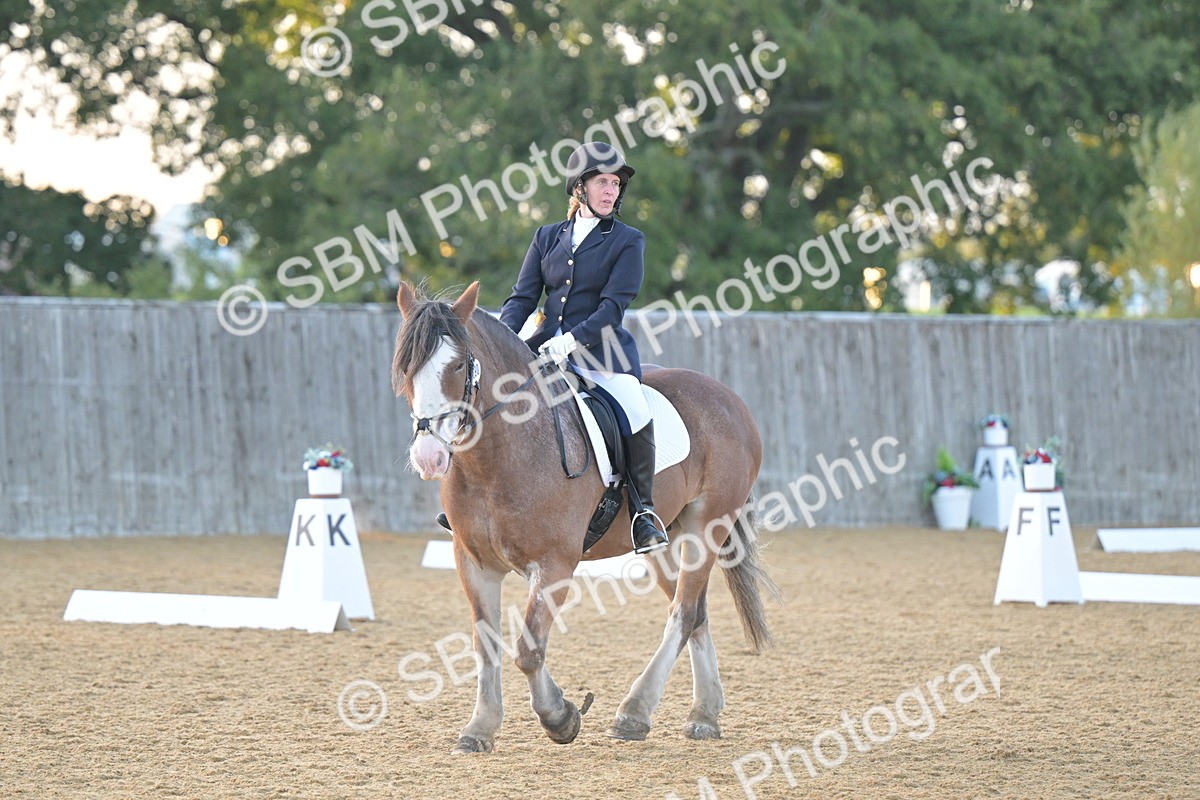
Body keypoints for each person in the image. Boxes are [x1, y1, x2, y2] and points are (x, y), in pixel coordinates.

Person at [490, 141, 668, 554]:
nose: (611, 191)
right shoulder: (547, 236)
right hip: (542, 350)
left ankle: (643, 513)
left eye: (616, 184)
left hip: (601, 355)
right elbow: (522, 298)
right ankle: (477, 497)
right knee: (490, 401)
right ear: (579, 188)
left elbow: (613, 307)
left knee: (635, 409)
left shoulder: (628, 240)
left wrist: (569, 341)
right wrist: (504, 340)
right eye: (602, 182)